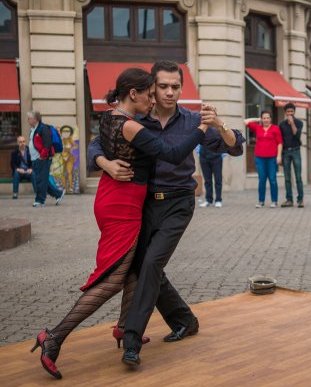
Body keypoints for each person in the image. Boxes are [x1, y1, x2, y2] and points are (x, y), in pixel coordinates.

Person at [31, 67, 209, 379]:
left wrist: (103, 162)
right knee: (113, 278)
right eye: (151, 94)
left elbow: (99, 146)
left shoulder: (110, 116)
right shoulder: (131, 125)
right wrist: (202, 129)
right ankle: (54, 336)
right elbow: (173, 152)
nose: (155, 100)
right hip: (123, 204)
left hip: (117, 197)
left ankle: (126, 327)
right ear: (134, 94)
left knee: (133, 270)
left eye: (165, 91)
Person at [88, 60, 244, 367]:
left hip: (178, 203)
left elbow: (235, 146)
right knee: (144, 266)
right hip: (143, 203)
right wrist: (106, 164)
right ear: (151, 88)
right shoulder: (138, 118)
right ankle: (184, 319)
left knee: (151, 265)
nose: (170, 92)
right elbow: (97, 143)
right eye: (163, 87)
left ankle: (131, 340)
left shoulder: (191, 121)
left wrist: (219, 124)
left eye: (176, 87)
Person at [245, 111, 283, 208]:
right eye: (264, 118)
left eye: (267, 118)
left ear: (270, 119)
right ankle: (261, 201)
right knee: (262, 180)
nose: (266, 120)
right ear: (262, 119)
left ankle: (274, 201)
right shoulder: (258, 127)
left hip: (272, 158)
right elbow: (245, 121)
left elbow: (279, 143)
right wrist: (257, 119)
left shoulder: (275, 128)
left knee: (273, 179)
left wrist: (279, 156)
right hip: (260, 158)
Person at [28, 111, 65, 207]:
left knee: (40, 180)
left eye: (29, 118)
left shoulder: (43, 128)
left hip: (43, 159)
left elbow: (47, 144)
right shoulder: (33, 129)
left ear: (35, 119)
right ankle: (58, 194)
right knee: (42, 179)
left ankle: (40, 200)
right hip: (35, 159)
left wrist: (42, 156)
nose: (28, 120)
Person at [279, 103, 304, 208]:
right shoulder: (281, 124)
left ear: (294, 112)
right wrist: (279, 155)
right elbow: (280, 140)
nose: (290, 114)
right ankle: (289, 200)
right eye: (288, 112)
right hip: (285, 152)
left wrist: (292, 123)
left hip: (296, 151)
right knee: (287, 177)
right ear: (285, 113)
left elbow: (296, 135)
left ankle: (300, 200)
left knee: (298, 176)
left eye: (292, 112)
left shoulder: (299, 123)